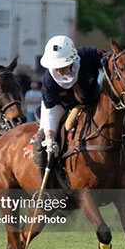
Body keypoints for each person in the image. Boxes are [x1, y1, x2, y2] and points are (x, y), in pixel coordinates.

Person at [33, 35, 104, 174]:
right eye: (55, 65)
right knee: (42, 144)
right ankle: (44, 185)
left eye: (61, 65)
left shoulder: (87, 55)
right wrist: (49, 137)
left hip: (91, 101)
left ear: (71, 59)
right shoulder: (49, 80)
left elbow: (110, 59)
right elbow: (50, 111)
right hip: (59, 105)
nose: (58, 70)